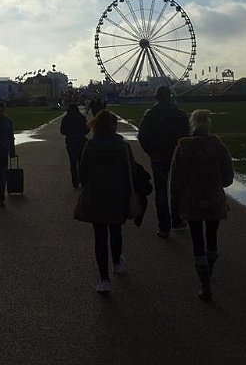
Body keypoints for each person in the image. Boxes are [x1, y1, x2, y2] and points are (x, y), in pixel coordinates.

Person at [170, 109, 234, 301]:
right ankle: (209, 270)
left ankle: (204, 282)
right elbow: (228, 178)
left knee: (197, 239)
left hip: (192, 198)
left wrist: (175, 204)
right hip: (214, 198)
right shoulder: (219, 148)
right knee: (211, 236)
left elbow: (176, 180)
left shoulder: (183, 148)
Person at [74, 109, 136, 293]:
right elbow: (130, 170)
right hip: (117, 194)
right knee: (115, 230)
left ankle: (104, 278)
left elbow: (82, 171)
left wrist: (89, 186)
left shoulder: (90, 146)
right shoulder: (122, 146)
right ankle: (116, 261)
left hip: (97, 194)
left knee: (100, 237)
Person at [137, 85, 190, 238]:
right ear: (170, 97)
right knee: (177, 189)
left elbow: (142, 136)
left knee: (161, 192)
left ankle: (164, 226)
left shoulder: (150, 115)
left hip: (158, 156)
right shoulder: (179, 114)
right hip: (175, 156)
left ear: (156, 97)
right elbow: (186, 135)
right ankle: (177, 219)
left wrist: (151, 152)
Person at [59, 103, 89, 188]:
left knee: (72, 163)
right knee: (81, 162)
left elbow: (62, 131)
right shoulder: (82, 117)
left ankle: (75, 182)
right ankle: (82, 180)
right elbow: (87, 130)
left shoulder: (66, 118)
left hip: (70, 142)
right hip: (81, 141)